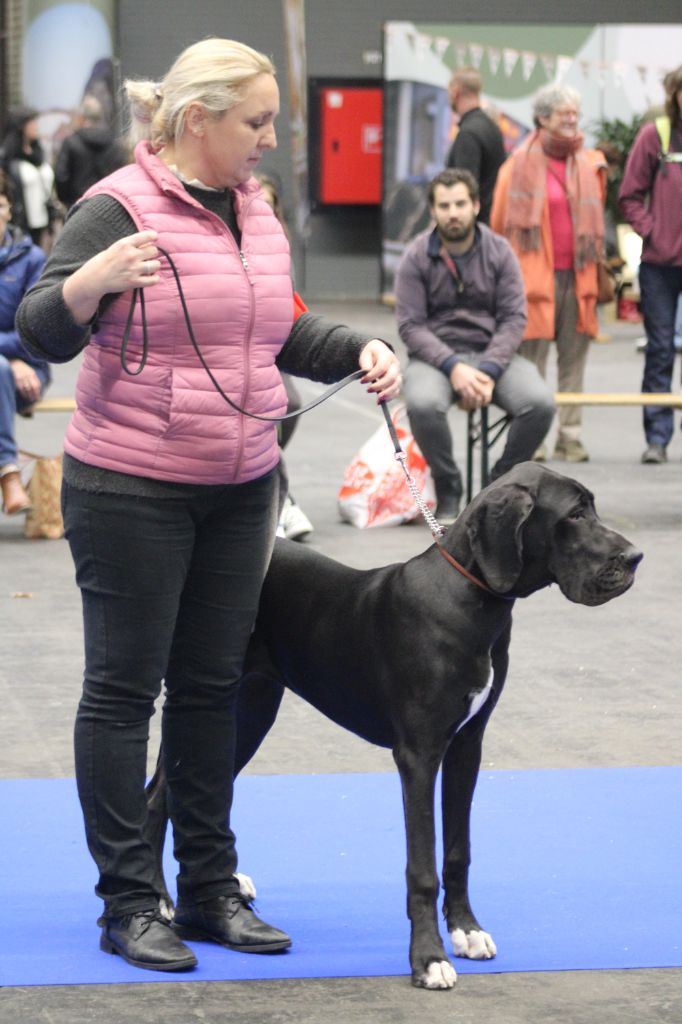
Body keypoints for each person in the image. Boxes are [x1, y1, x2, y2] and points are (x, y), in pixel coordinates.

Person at [17, 37, 400, 973]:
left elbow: (278, 329)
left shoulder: (257, 214)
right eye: (257, 122)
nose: (270, 140)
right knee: (121, 693)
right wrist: (92, 280)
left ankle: (207, 890)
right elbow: (35, 323)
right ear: (199, 121)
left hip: (239, 490)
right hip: (130, 489)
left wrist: (354, 347)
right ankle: (127, 901)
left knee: (210, 689)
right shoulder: (117, 206)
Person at [395, 168, 554, 523]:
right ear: (433, 211)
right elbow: (410, 325)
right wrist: (454, 367)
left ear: (476, 206)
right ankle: (448, 485)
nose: (453, 213)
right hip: (435, 360)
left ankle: (499, 486)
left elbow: (514, 318)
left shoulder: (500, 252)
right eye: (445, 205)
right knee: (421, 403)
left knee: (540, 404)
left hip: (493, 356)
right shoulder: (416, 257)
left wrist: (488, 370)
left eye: (460, 204)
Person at [490, 84, 607, 464]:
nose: (572, 119)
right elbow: (497, 227)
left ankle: (570, 438)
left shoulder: (590, 164)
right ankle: (533, 437)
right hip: (531, 280)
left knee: (574, 362)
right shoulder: (515, 167)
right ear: (542, 119)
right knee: (531, 364)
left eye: (575, 112)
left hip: (578, 277)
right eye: (563, 113)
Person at [619, 66, 682, 465]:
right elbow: (628, 197)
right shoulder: (654, 136)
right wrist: (653, 231)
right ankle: (657, 438)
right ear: (675, 95)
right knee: (660, 350)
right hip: (659, 265)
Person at [254, 171, 313, 540]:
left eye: (269, 208)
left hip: (272, 348)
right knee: (264, 407)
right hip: (236, 352)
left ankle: (281, 497)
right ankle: (280, 500)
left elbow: (290, 314)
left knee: (288, 401)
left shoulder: (281, 252)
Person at [0, 170, 49, 516]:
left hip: (27, 373)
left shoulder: (31, 260)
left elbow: (40, 328)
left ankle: (9, 473)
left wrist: (17, 360)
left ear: (9, 210)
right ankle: (8, 473)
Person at [446, 67, 506, 225]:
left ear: (455, 92)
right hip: (490, 225)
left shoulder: (468, 135)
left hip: (473, 232)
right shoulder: (491, 127)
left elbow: (464, 191)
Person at [54, 96, 129, 209]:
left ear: (81, 117)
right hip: (108, 206)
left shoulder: (71, 142)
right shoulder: (114, 143)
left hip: (78, 206)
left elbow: (61, 176)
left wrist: (66, 201)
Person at [0, 107, 56, 248]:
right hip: (21, 225)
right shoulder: (8, 158)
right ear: (21, 126)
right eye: (32, 122)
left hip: (44, 223)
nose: (36, 126)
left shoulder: (38, 153)